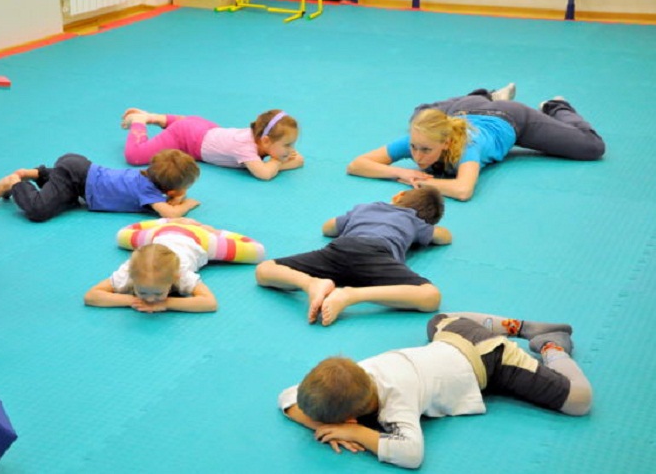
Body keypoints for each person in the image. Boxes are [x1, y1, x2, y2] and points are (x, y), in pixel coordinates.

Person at [278, 312, 593, 469]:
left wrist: (358, 433)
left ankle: (549, 344)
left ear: (351, 417)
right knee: (438, 319)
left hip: (492, 359)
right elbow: (286, 395)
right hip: (454, 332)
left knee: (579, 401)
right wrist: (321, 424)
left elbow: (412, 455)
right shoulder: (355, 372)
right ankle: (518, 325)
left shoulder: (397, 401)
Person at [346, 83, 605, 201]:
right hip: (464, 108)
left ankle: (555, 106)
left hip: (511, 117)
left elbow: (463, 190)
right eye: (414, 147)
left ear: (447, 144)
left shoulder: (467, 146)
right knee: (419, 117)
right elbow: (356, 164)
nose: (417, 156)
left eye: (425, 150)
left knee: (592, 147)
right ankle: (485, 95)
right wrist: (401, 172)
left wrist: (421, 182)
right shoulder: (418, 139)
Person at [255, 187, 452, 326]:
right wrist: (424, 228)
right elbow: (445, 237)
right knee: (431, 297)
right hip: (377, 255)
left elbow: (328, 228)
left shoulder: (366, 208)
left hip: (340, 249)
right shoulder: (414, 220)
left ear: (398, 195)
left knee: (265, 269)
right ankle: (352, 295)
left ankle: (311, 284)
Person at [85, 217, 265, 313]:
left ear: (174, 278)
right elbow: (91, 296)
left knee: (257, 252)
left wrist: (166, 303)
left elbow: (210, 303)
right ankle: (171, 220)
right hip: (162, 232)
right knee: (121, 235)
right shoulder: (129, 271)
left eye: (158, 293)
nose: (150, 300)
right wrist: (132, 300)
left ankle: (210, 230)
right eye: (143, 292)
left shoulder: (181, 274)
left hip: (199, 240)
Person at [0, 150, 200, 222]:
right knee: (39, 210)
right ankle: (15, 183)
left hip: (79, 173)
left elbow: (168, 202)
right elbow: (171, 214)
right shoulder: (148, 192)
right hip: (77, 177)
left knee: (67, 197)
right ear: (170, 190)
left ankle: (34, 173)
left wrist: (176, 196)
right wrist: (187, 203)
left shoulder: (146, 176)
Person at [121, 108, 304, 181]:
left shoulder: (264, 139)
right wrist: (277, 161)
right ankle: (139, 120)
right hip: (186, 138)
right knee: (135, 156)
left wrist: (276, 162)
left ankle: (155, 117)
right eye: (287, 145)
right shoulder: (245, 147)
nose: (291, 150)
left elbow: (299, 161)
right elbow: (264, 174)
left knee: (189, 124)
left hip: (203, 128)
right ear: (266, 141)